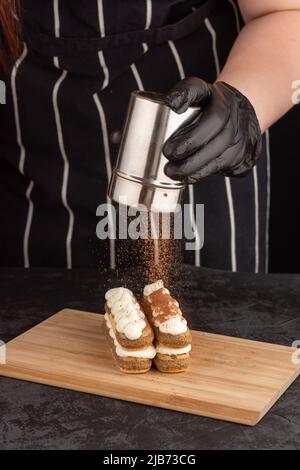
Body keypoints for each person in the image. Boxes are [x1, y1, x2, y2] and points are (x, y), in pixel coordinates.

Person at [0, 0, 299, 272]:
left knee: (204, 326)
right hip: (35, 178)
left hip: (201, 161)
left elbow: (285, 12)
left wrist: (240, 107)